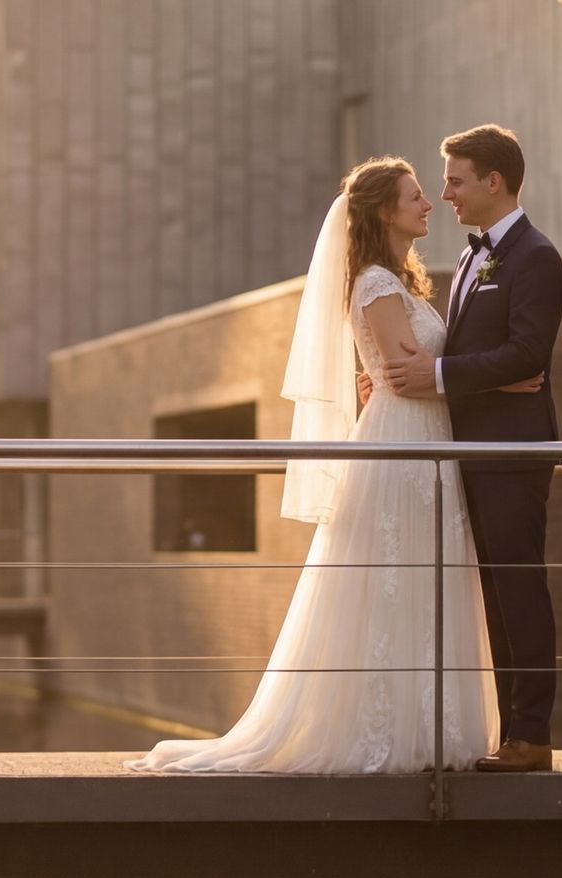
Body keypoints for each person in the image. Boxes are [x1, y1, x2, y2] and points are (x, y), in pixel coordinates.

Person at [135, 157, 512, 774]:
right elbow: (406, 375)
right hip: (404, 443)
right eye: (416, 196)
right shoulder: (376, 285)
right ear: (385, 211)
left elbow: (406, 371)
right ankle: (386, 729)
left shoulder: (398, 281)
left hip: (424, 440)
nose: (428, 204)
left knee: (420, 579)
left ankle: (427, 727)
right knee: (394, 580)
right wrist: (491, 381)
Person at [381, 124, 562, 773]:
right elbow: (488, 355)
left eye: (456, 180)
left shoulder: (536, 257)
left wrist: (436, 377)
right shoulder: (468, 259)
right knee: (492, 589)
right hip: (471, 448)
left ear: (494, 181)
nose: (445, 193)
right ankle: (511, 729)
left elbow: (528, 352)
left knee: (519, 586)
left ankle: (532, 733)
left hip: (513, 450)